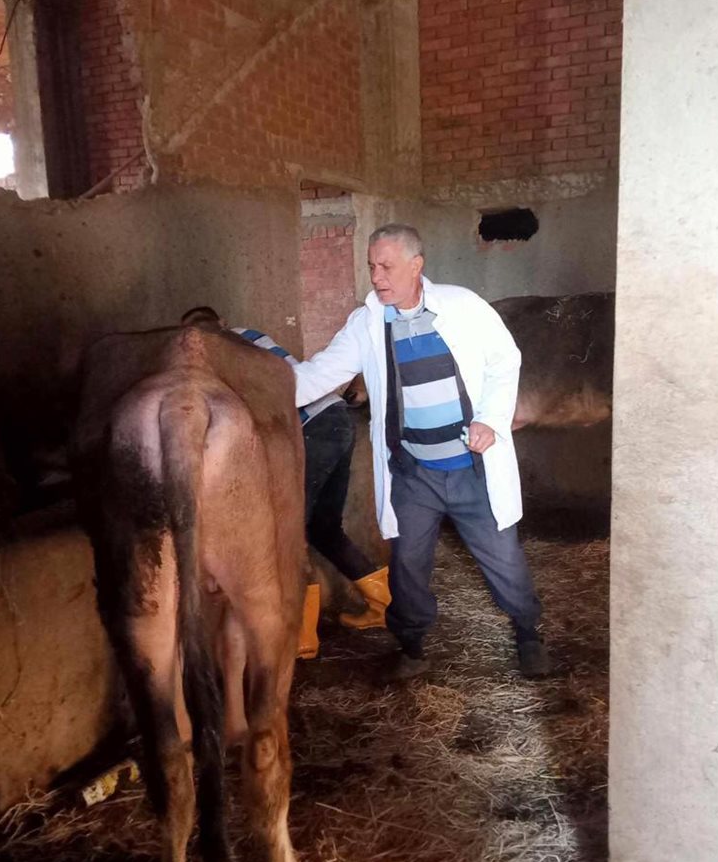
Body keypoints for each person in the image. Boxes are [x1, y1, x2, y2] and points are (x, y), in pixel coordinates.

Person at [289, 224, 552, 681]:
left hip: (471, 469)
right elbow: (319, 374)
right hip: (414, 473)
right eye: (372, 266)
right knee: (407, 566)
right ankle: (411, 647)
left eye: (386, 266)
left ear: (416, 266)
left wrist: (490, 418)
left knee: (503, 559)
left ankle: (529, 634)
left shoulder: (463, 306)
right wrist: (260, 390)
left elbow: (504, 361)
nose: (377, 277)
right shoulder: (368, 323)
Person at [179, 306, 391, 659]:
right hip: (336, 418)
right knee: (324, 528)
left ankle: (301, 636)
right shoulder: (253, 336)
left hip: (308, 429)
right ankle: (383, 604)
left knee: (288, 534)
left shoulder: (221, 352)